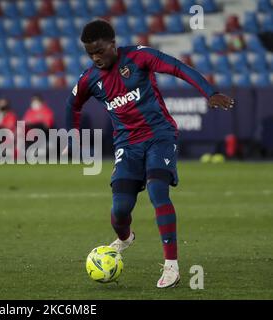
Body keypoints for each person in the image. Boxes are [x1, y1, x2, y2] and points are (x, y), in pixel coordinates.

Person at [65, 20, 234, 288]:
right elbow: (72, 105)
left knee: (158, 191)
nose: (96, 57)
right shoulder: (91, 79)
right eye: (90, 54)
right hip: (127, 145)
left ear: (113, 44)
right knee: (120, 209)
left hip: (159, 136)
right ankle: (124, 239)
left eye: (100, 51)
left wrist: (209, 92)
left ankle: (171, 266)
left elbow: (178, 68)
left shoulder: (138, 56)